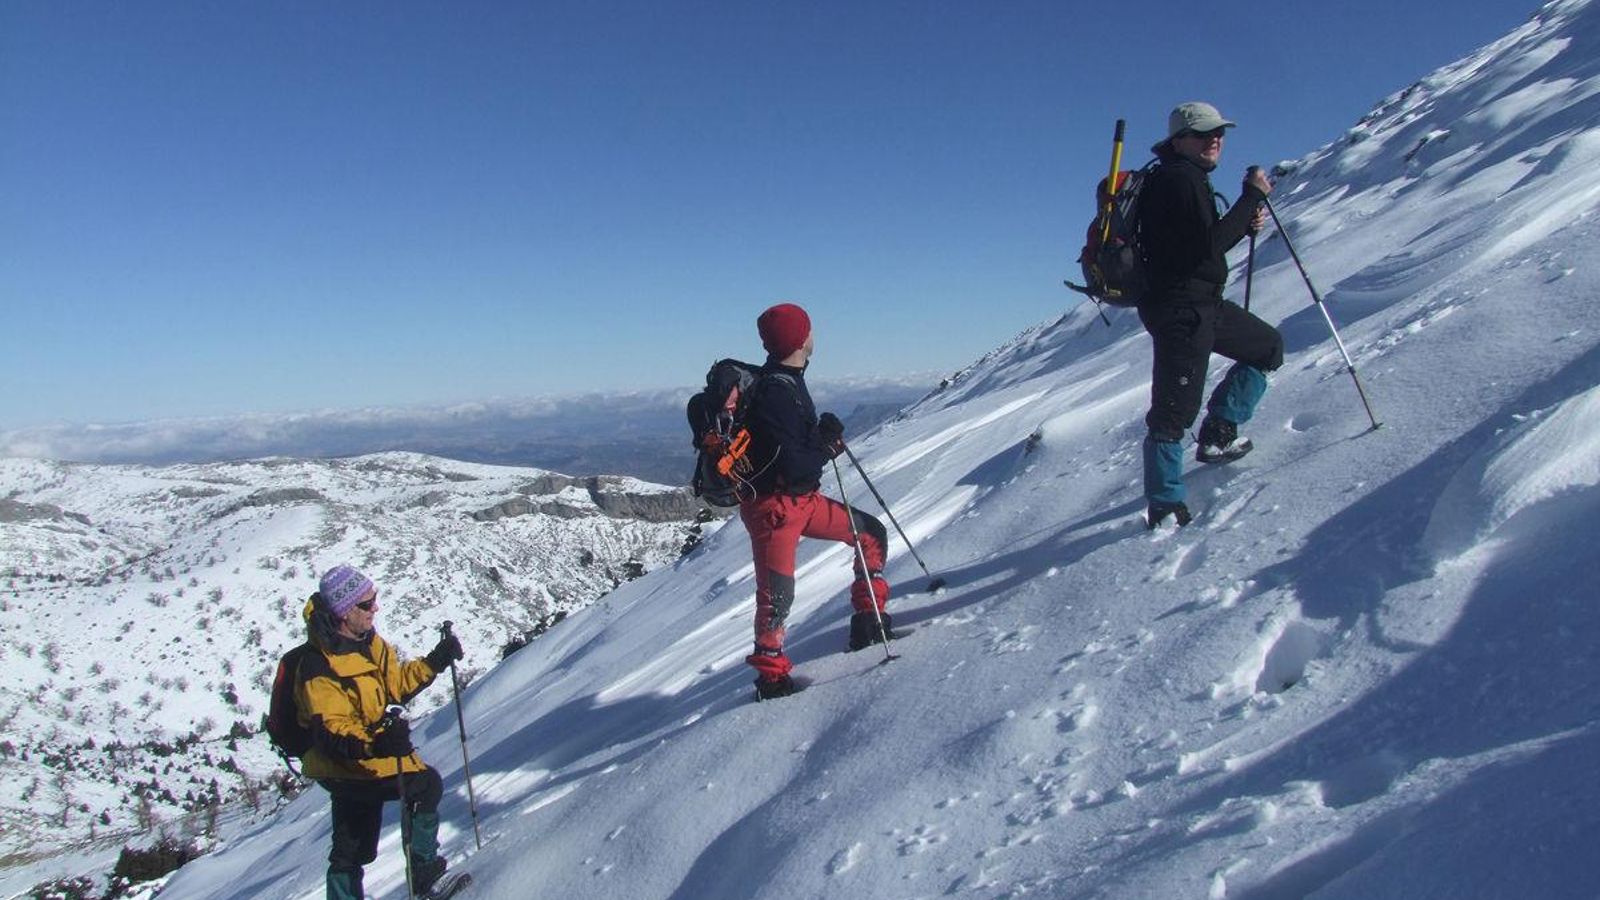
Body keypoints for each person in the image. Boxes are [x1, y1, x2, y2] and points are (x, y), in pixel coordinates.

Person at [1135, 101, 1285, 528]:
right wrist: (1251, 198)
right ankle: (1165, 506)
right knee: (1173, 413)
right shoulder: (1179, 180)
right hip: (1181, 311)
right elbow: (1207, 246)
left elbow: (1200, 247)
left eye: (1219, 132)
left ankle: (1219, 433)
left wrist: (1244, 219)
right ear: (1179, 140)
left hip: (1201, 304)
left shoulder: (1184, 177)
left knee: (1266, 347)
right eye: (1203, 133)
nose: (1215, 140)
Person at [738, 302, 893, 699]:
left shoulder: (787, 380)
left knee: (870, 534)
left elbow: (790, 449)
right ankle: (772, 680)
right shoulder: (776, 392)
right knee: (776, 599)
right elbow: (793, 463)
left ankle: (869, 619)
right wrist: (824, 445)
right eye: (808, 329)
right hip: (775, 510)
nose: (813, 335)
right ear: (800, 338)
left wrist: (820, 436)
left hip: (802, 502)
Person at [297, 564, 464, 900]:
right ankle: (425, 874)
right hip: (343, 761)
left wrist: (434, 661)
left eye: (374, 599)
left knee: (351, 844)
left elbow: (394, 686)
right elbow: (332, 732)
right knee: (425, 786)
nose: (376, 608)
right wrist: (377, 744)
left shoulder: (369, 643)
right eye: (366, 603)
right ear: (344, 612)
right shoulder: (319, 665)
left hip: (361, 755)